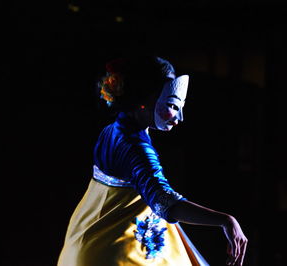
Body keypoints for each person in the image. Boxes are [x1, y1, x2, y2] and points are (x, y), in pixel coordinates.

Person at [58, 55, 247, 266]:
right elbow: (164, 201)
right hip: (117, 252)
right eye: (173, 106)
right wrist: (225, 221)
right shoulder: (135, 147)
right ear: (143, 100)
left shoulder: (113, 130)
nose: (179, 117)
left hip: (93, 239)